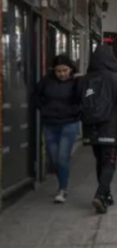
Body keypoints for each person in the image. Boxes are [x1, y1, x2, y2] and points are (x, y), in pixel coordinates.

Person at [77, 46, 117, 214]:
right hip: (111, 126)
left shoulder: (84, 80)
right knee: (109, 161)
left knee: (100, 160)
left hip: (91, 127)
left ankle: (106, 194)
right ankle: (100, 194)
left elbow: (77, 100)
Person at [32, 54, 81, 204]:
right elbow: (35, 96)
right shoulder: (46, 81)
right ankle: (62, 182)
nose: (62, 74)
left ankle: (62, 189)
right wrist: (43, 109)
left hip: (69, 123)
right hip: (50, 124)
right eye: (58, 71)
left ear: (70, 69)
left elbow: (84, 99)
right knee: (54, 159)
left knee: (62, 157)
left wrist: (76, 111)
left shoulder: (76, 82)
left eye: (65, 70)